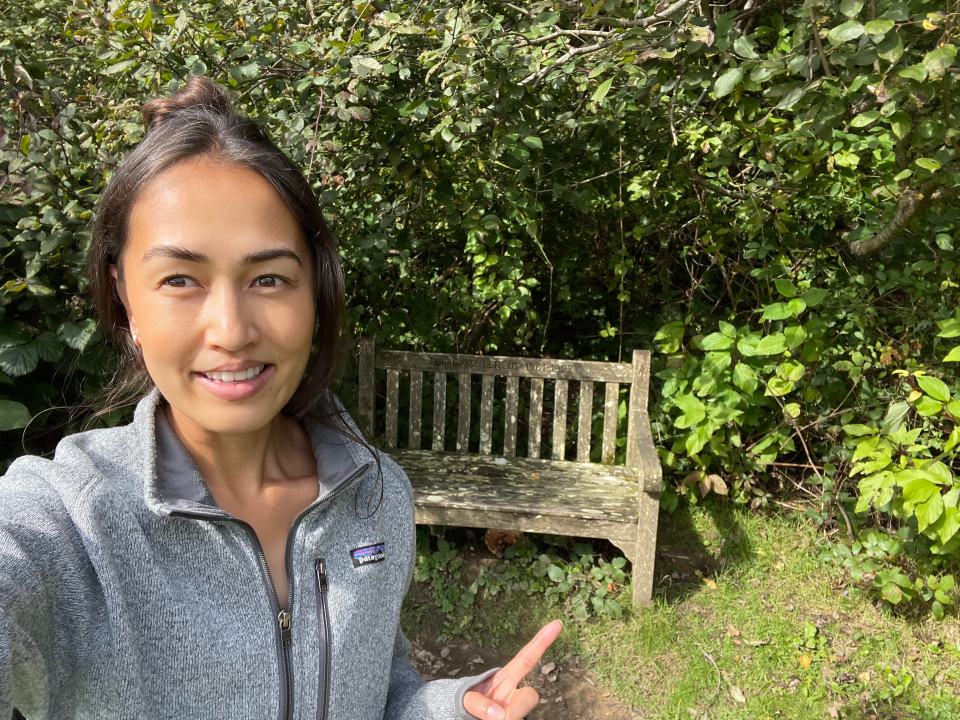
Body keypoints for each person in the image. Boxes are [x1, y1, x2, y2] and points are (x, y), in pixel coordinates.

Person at [0, 75, 561, 720]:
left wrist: (448, 708)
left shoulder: (374, 496)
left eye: (268, 278)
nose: (233, 331)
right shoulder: (70, 523)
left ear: (314, 291)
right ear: (125, 297)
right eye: (180, 279)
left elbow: (378, 693)